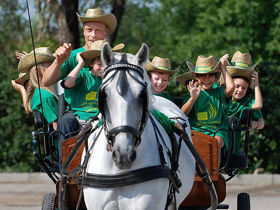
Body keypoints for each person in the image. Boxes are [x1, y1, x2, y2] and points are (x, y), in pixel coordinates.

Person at [57, 40, 124, 168]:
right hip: (78, 114)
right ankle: (66, 168)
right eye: (99, 64)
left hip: (101, 117)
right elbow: (68, 83)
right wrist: (80, 63)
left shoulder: (112, 79)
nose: (103, 68)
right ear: (91, 64)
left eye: (106, 64)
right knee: (65, 121)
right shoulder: (82, 76)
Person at [42, 8, 117, 88]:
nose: (93, 35)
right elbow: (46, 82)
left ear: (106, 32)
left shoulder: (114, 58)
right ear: (83, 31)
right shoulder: (70, 56)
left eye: (98, 30)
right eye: (89, 30)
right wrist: (58, 61)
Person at [181, 54, 234, 165]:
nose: (206, 79)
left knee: (216, 142)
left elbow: (231, 88)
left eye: (211, 75)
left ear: (216, 76)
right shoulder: (193, 92)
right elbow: (182, 113)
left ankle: (213, 175)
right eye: (202, 75)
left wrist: (223, 67)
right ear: (196, 76)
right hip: (197, 131)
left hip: (217, 131)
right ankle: (195, 175)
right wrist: (192, 98)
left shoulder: (219, 92)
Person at [221, 51, 264, 154]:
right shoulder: (222, 96)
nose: (240, 90)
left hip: (231, 146)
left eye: (244, 88)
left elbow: (258, 107)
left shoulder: (246, 102)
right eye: (237, 87)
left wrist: (256, 84)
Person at [12, 47, 58, 130]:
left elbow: (29, 107)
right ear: (38, 70)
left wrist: (22, 90)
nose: (54, 67)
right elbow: (58, 128)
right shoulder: (45, 97)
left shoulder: (39, 93)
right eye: (50, 65)